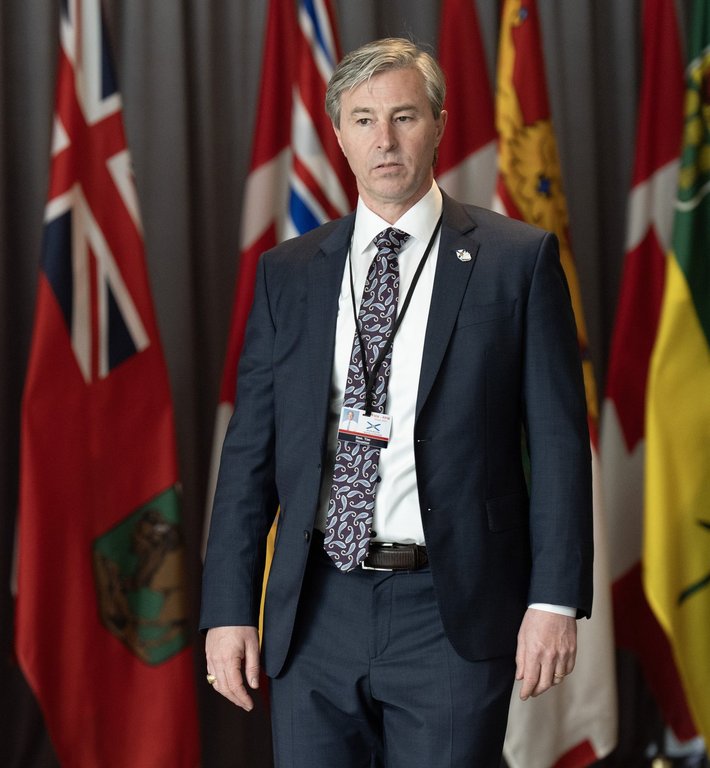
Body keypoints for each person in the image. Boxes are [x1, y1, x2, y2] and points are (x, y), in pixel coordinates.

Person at [201, 37, 593, 768]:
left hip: (449, 613)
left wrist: (555, 600)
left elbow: (561, 445)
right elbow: (250, 453)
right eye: (363, 119)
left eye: (404, 116)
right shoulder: (289, 273)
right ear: (339, 134)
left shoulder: (518, 260)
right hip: (314, 610)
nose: (384, 139)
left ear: (439, 125)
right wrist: (227, 608)